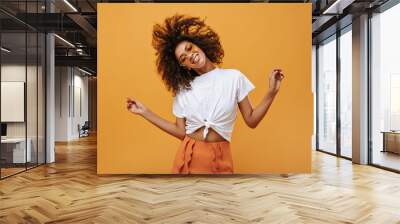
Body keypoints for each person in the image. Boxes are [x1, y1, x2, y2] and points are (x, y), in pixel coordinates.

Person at [127, 14, 284, 174]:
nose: (190, 55)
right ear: (184, 65)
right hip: (188, 156)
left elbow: (251, 120)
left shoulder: (234, 77)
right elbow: (181, 132)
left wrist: (272, 92)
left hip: (221, 156)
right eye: (184, 57)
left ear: (200, 45)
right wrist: (145, 112)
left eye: (190, 48)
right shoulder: (184, 89)